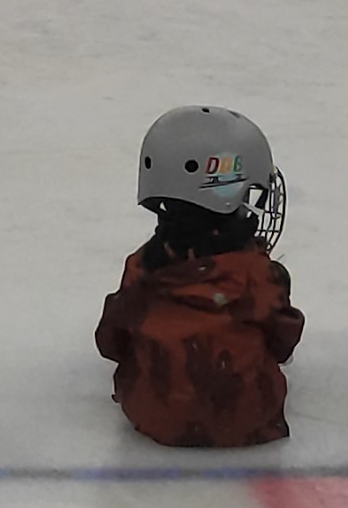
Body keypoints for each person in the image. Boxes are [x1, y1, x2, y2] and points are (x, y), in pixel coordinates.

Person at [93, 106, 304, 449]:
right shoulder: (257, 274)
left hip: (151, 419)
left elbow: (110, 342)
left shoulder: (142, 267)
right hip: (250, 421)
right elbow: (283, 343)